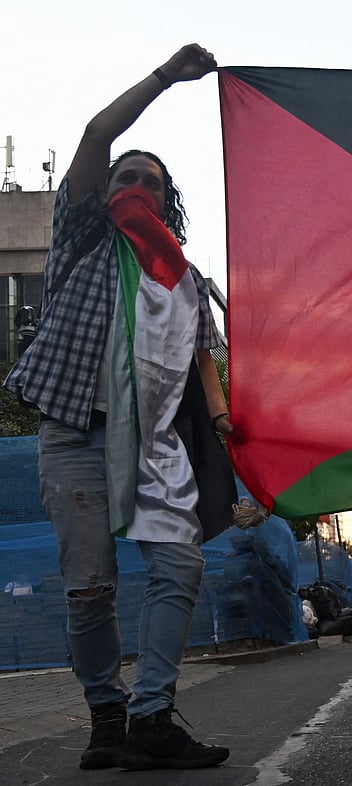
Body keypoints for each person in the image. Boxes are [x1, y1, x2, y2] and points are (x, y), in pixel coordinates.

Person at [0, 45, 235, 772]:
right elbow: (97, 136)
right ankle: (105, 716)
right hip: (75, 436)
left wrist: (229, 426)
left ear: (168, 202)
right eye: (125, 177)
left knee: (179, 569)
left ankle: (151, 717)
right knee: (89, 591)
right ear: (105, 191)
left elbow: (204, 362)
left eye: (150, 182)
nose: (135, 184)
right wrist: (166, 77)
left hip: (154, 446)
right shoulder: (82, 238)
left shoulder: (186, 280)